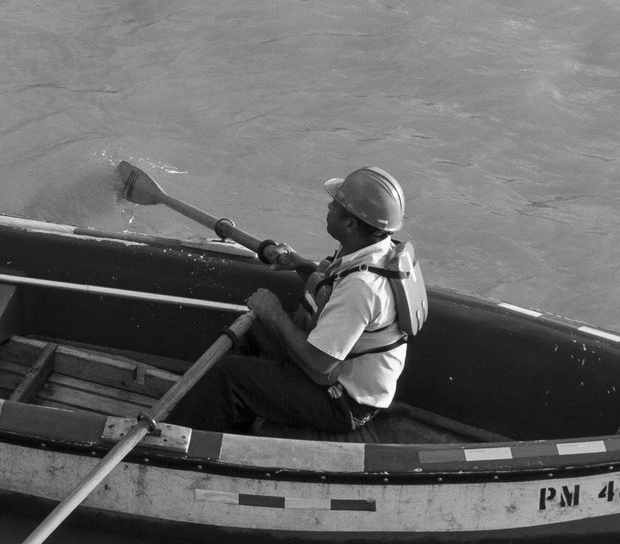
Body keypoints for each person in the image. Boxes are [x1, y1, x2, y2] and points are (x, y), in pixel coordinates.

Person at [174, 166, 429, 436]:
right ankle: (236, 419)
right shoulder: (372, 251)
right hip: (333, 371)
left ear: (351, 224)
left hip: (342, 402)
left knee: (228, 376)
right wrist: (303, 266)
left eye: (336, 204)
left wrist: (274, 313)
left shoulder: (362, 288)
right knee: (251, 333)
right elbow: (334, 290)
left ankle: (172, 440)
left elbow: (321, 366)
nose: (329, 205)